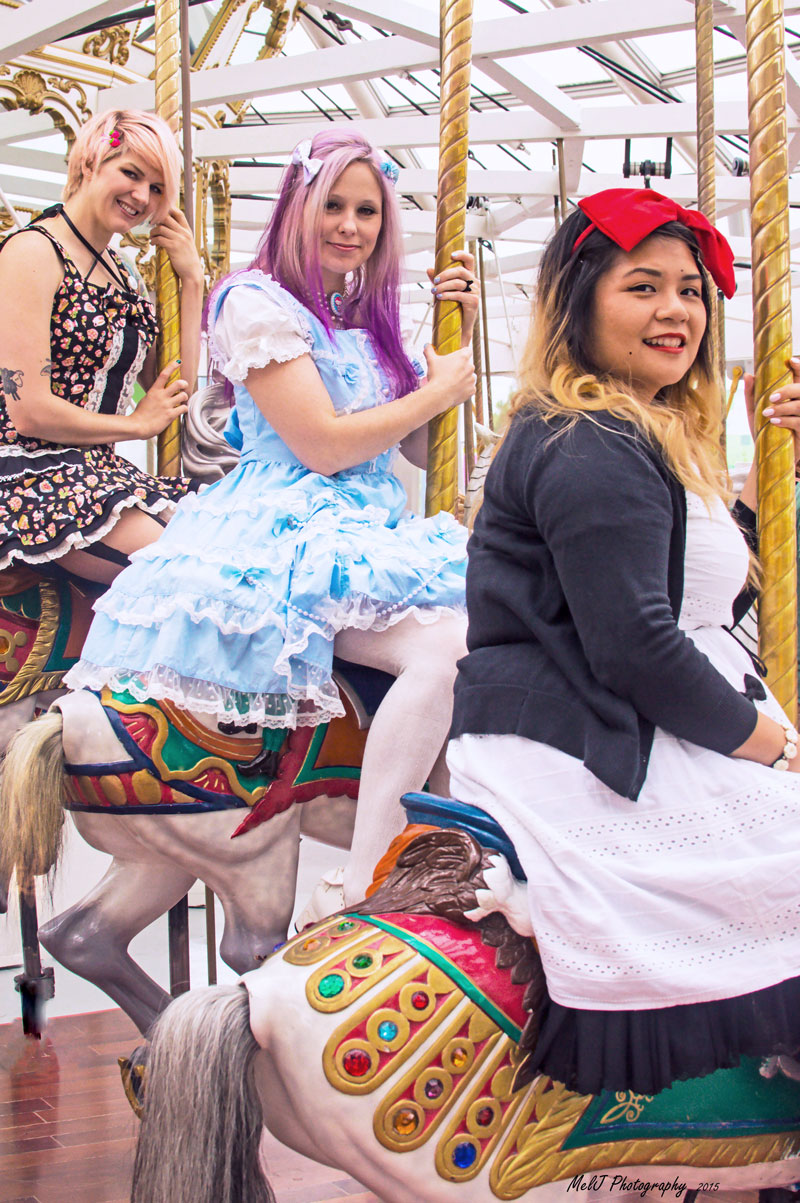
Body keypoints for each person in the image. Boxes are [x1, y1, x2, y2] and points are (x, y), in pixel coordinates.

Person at [447, 187, 800, 1097]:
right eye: (642, 287)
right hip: (593, 734)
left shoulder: (638, 427)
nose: (675, 310)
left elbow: (699, 594)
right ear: (579, 302)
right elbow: (637, 644)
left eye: (690, 290)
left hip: (622, 715)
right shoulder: (590, 437)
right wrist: (770, 742)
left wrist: (776, 473)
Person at [67, 129, 477, 905]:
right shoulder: (254, 303)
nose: (350, 225)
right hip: (286, 527)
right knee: (445, 652)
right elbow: (322, 444)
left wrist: (455, 342)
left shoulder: (361, 319)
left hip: (365, 526)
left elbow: (421, 450)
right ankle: (369, 878)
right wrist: (434, 392)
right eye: (334, 205)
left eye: (367, 211)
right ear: (297, 206)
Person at [0, 108, 204, 584]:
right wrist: (135, 425)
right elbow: (29, 411)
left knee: (225, 545)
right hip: (27, 475)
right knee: (183, 574)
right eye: (131, 173)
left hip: (96, 474)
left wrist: (192, 281)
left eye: (157, 188)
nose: (142, 197)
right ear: (90, 162)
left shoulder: (125, 274)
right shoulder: (32, 252)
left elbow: (175, 387)